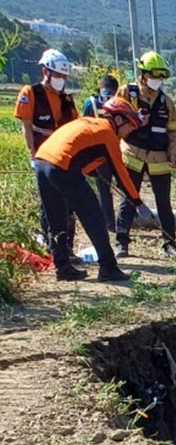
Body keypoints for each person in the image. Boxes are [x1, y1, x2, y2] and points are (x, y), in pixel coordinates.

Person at [33, 98, 149, 282]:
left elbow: (83, 156)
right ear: (118, 120)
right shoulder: (108, 134)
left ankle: (62, 268)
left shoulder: (90, 123)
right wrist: (137, 202)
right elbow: (121, 173)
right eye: (130, 126)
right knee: (93, 216)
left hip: (41, 162)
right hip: (61, 167)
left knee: (55, 218)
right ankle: (108, 267)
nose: (130, 131)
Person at [115, 51, 176, 260]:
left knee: (164, 202)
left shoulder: (166, 102)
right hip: (132, 154)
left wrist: (174, 153)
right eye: (154, 77)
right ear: (143, 74)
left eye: (161, 78)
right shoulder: (127, 93)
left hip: (159, 158)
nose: (157, 82)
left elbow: (175, 132)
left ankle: (169, 245)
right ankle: (122, 242)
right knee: (128, 198)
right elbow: (113, 118)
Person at [16, 49, 79, 254]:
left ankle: (67, 249)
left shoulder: (67, 100)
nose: (61, 80)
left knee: (69, 205)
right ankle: (54, 248)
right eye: (58, 75)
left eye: (64, 76)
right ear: (46, 72)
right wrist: (32, 155)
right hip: (43, 159)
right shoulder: (31, 93)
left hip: (65, 162)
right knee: (49, 205)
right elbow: (27, 127)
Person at [82, 74, 120, 227]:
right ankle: (124, 221)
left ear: (100, 86)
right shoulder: (119, 102)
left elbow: (83, 125)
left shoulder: (90, 102)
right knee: (124, 186)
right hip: (116, 150)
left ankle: (107, 221)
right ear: (115, 89)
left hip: (96, 152)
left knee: (102, 188)